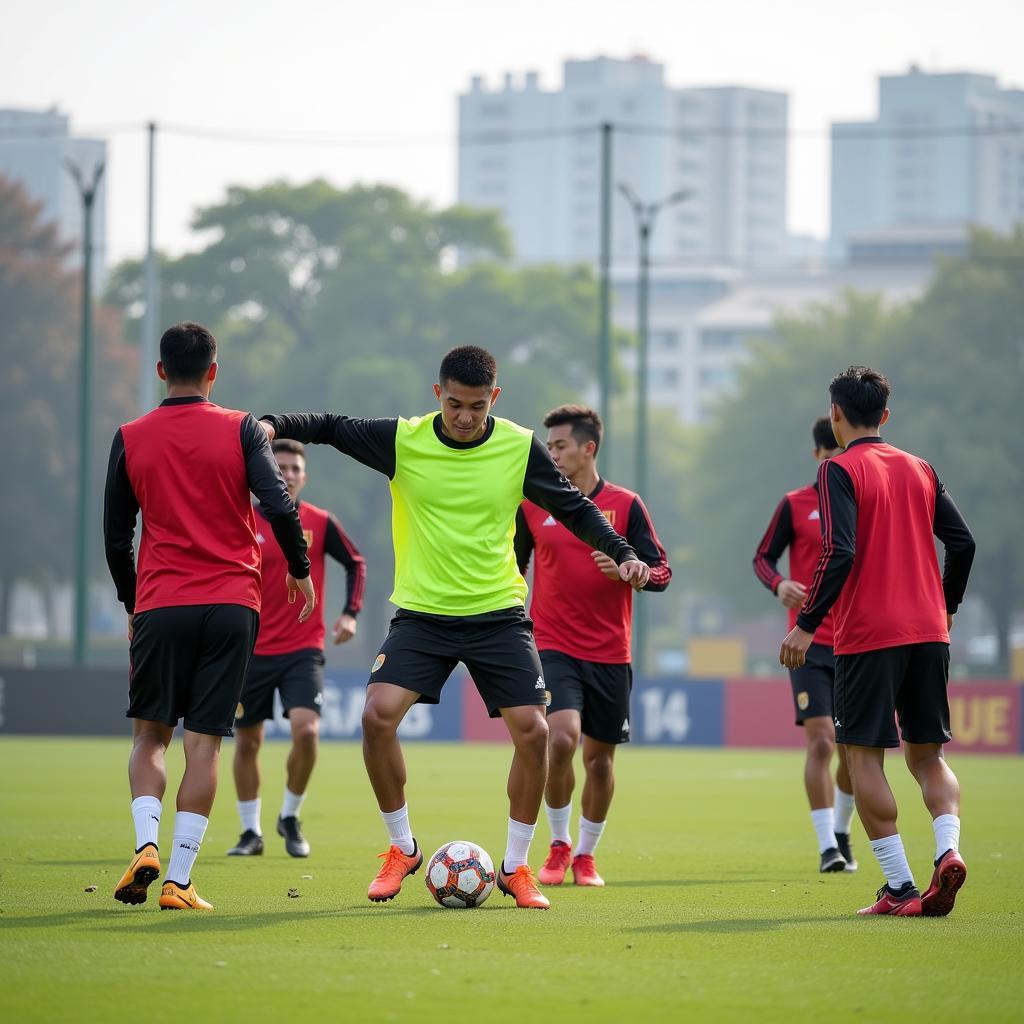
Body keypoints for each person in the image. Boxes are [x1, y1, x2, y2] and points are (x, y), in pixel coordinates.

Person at [260, 346, 651, 910]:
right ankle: (402, 849)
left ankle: (516, 867)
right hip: (423, 615)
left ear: (494, 398)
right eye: (452, 404)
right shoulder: (404, 440)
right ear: (436, 394)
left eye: (474, 405)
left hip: (498, 615)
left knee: (536, 733)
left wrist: (620, 549)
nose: (463, 417)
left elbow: (573, 508)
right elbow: (329, 426)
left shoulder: (518, 447)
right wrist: (273, 425)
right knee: (376, 717)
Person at [103, 322, 314, 911]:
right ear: (214, 372)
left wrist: (132, 602)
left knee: (150, 736)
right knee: (206, 746)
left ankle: (145, 844)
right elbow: (276, 503)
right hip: (231, 604)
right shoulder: (242, 428)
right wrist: (299, 566)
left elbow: (116, 537)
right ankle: (178, 879)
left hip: (161, 603)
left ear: (161, 370)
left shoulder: (130, 436)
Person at [780, 366, 975, 917]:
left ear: (836, 416)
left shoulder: (838, 470)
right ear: (885, 416)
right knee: (928, 756)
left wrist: (806, 622)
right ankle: (948, 850)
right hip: (929, 631)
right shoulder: (920, 468)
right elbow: (963, 543)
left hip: (868, 635)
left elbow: (838, 551)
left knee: (863, 756)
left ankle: (900, 888)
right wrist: (948, 606)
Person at [515, 405, 671, 887]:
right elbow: (511, 567)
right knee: (560, 739)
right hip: (553, 645)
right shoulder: (532, 504)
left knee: (600, 761)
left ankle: (586, 854)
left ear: (589, 448)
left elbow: (660, 571)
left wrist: (633, 572)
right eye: (549, 446)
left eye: (560, 445)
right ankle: (558, 845)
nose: (552, 454)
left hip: (610, 653)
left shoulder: (626, 505)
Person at [227, 439, 367, 859]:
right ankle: (250, 832)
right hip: (248, 650)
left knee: (306, 732)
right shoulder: (240, 519)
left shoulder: (319, 522)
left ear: (305, 477)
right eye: (279, 466)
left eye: (294, 468)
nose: (286, 474)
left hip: (302, 648)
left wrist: (349, 614)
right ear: (264, 475)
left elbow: (356, 562)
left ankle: (289, 816)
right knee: (247, 741)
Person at [754, 417, 858, 874]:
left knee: (855, 751)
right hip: (808, 643)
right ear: (818, 456)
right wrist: (779, 585)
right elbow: (762, 557)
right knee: (822, 743)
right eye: (833, 456)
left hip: (860, 640)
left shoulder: (865, 503)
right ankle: (826, 848)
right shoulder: (795, 504)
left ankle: (842, 829)